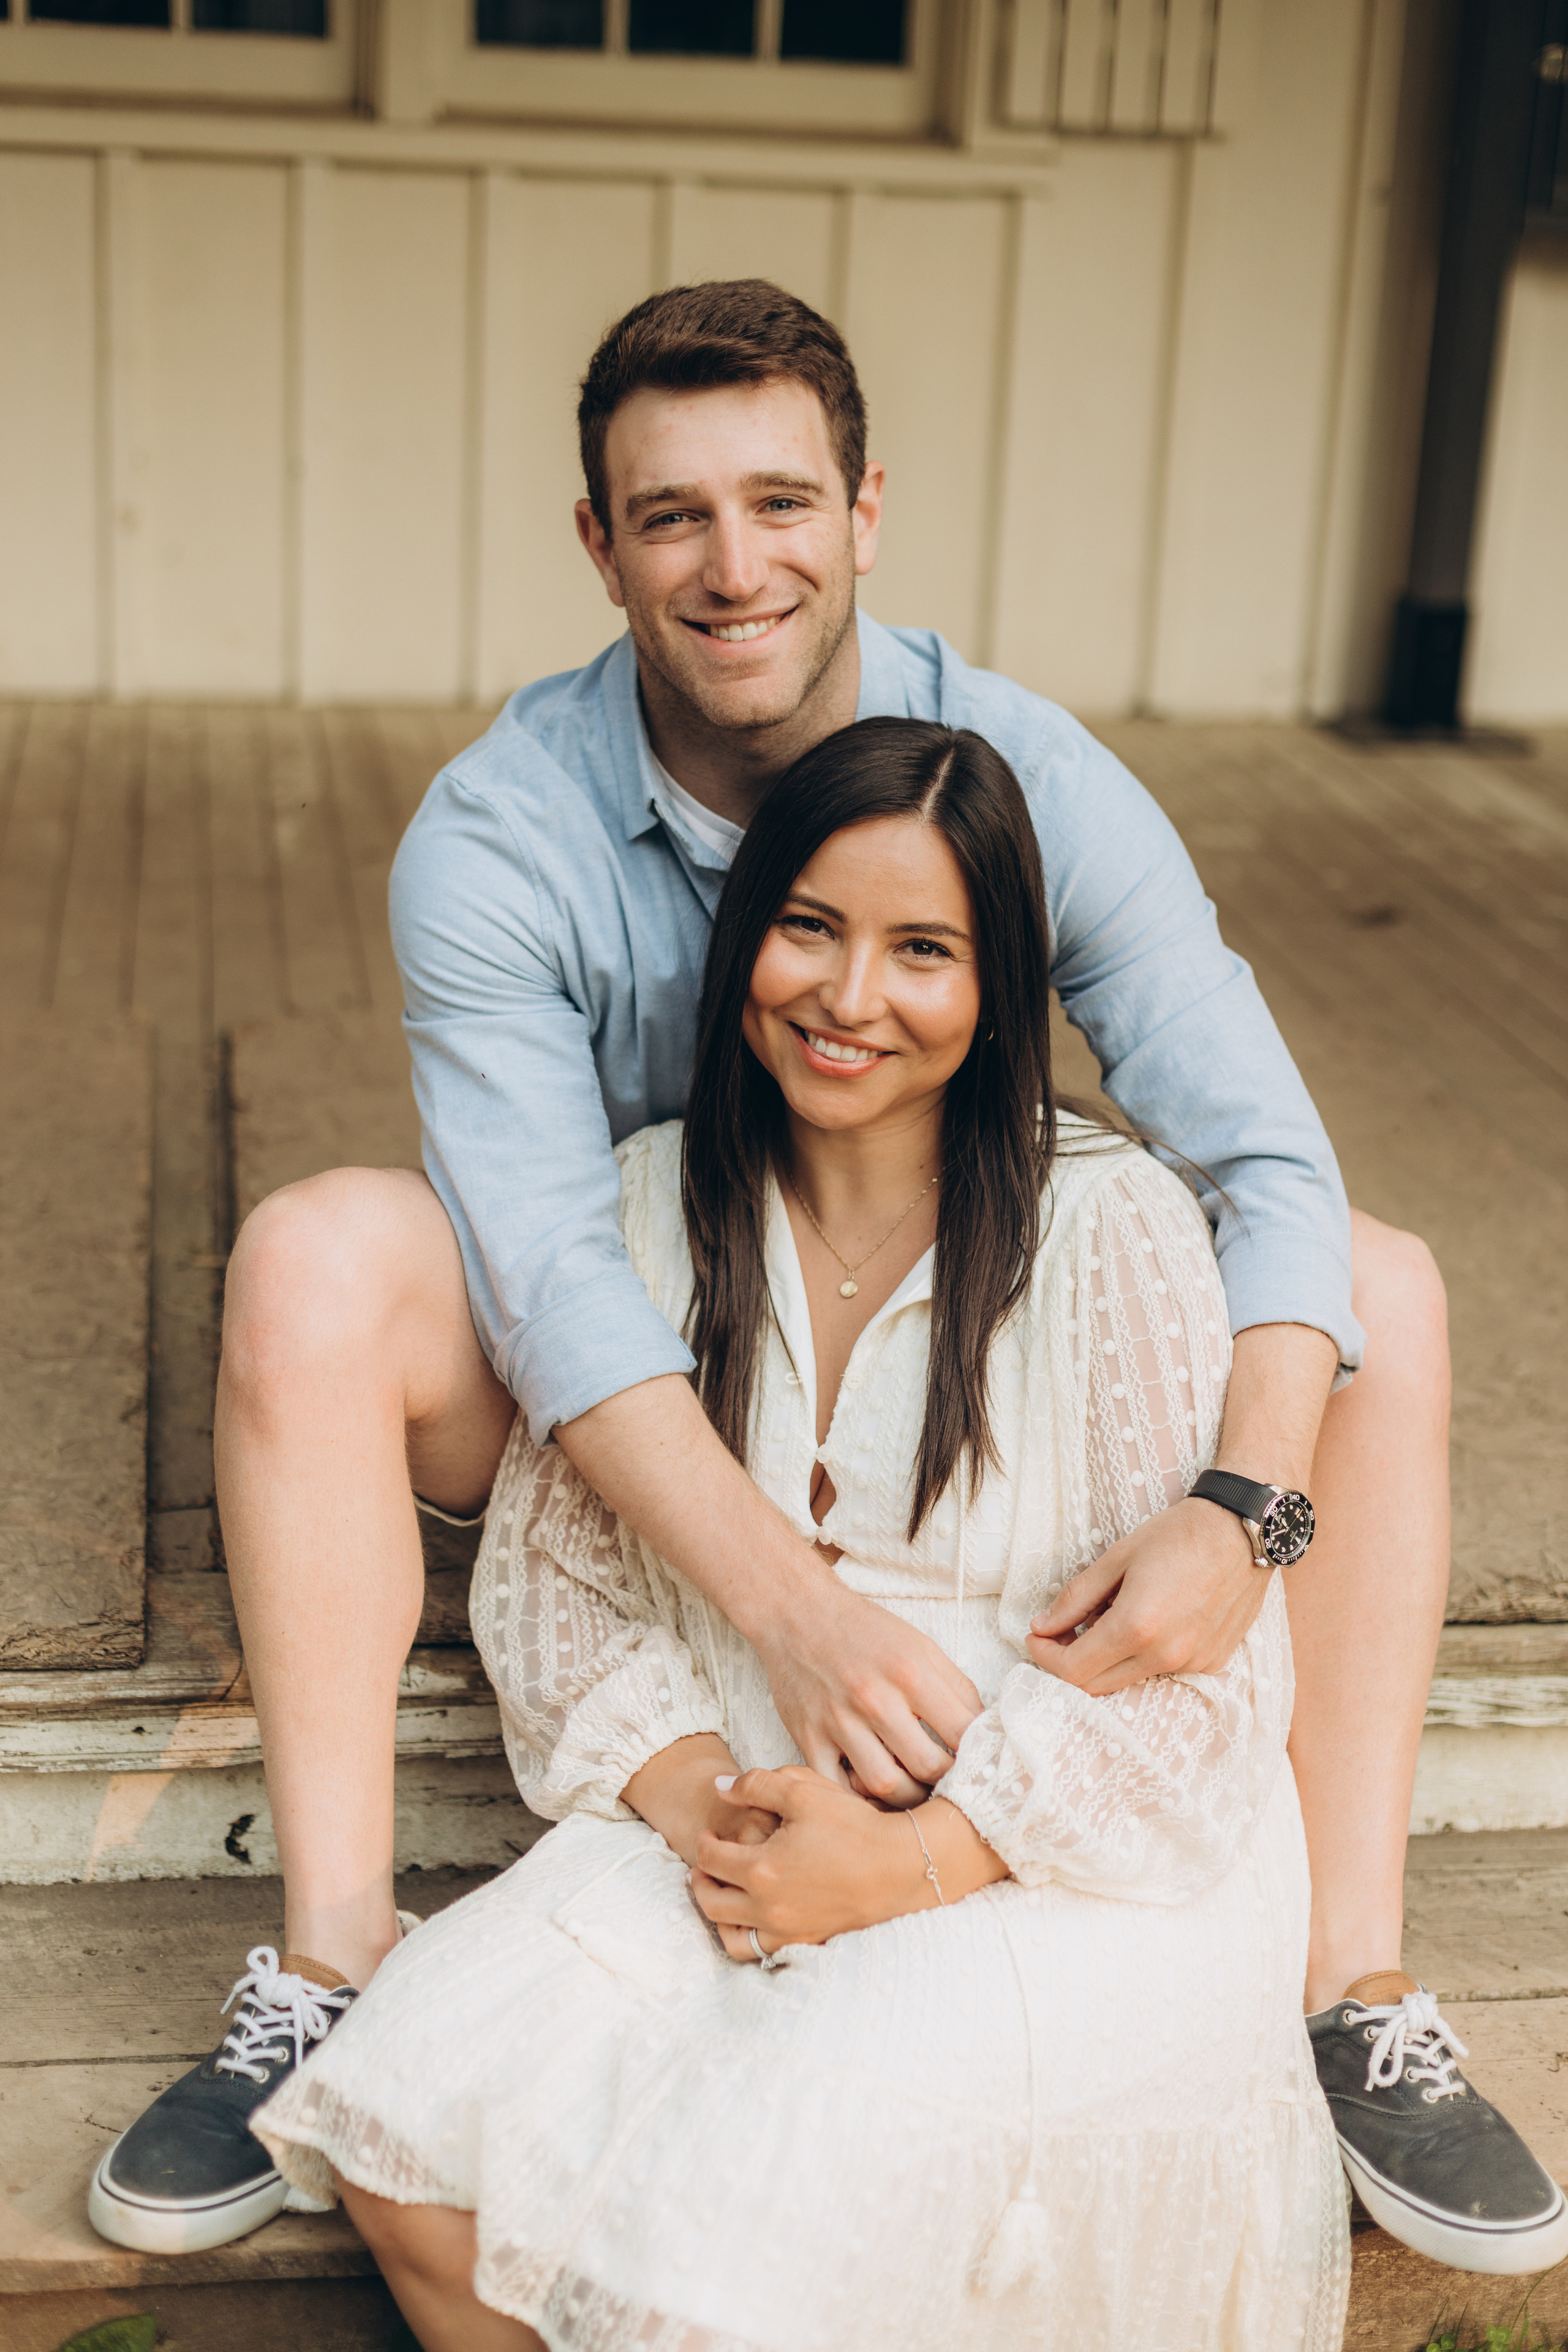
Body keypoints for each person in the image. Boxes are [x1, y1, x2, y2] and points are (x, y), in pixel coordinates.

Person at [87, 280, 1564, 2277]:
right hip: (629, 1342)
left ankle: (1351, 1986)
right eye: (669, 513)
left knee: (1371, 1285)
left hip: (921, 1326)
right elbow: (542, 1279)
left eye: (779, 500)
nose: (732, 564)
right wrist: (784, 1615)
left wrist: (1240, 1508)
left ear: (866, 510)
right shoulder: (499, 832)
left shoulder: (1013, 770)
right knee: (314, 1259)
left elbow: (1267, 1147)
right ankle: (337, 1952)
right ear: (597, 543)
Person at [254, 718, 1352, 2351]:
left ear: (1000, 990)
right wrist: (714, 1811)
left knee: (753, 2210)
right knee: (407, 2136)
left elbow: (1204, 1698)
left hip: (1074, 1847)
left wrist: (919, 1855)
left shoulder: (1109, 1227)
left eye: (925, 951)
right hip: (738, 1802)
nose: (850, 999)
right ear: (746, 936)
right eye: (811, 928)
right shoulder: (643, 1201)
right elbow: (561, 1591)